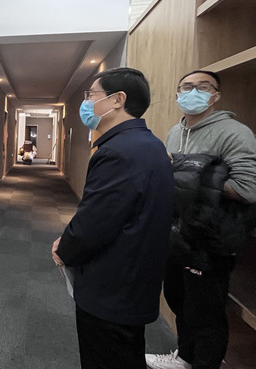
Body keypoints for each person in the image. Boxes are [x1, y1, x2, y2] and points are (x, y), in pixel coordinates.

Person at [52, 68, 174, 369]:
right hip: (132, 281)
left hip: (112, 288)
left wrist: (64, 249)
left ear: (118, 99)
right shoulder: (149, 144)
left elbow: (94, 224)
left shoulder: (119, 151)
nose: (87, 103)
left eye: (91, 95)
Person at [145, 71, 256, 369]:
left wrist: (191, 175)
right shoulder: (175, 131)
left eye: (203, 87)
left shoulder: (234, 132)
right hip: (178, 230)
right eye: (186, 87)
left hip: (211, 237)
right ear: (177, 93)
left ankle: (205, 363)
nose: (193, 92)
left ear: (216, 95)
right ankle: (185, 357)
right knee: (178, 298)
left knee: (206, 310)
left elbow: (248, 189)